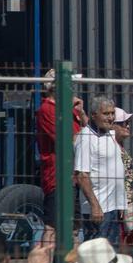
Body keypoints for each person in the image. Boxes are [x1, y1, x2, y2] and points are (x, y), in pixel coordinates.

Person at [72, 98, 133, 246]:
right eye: (106, 113)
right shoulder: (86, 139)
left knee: (110, 253)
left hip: (113, 207)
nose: (111, 117)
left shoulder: (108, 134)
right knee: (97, 254)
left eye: (112, 113)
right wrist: (95, 206)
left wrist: (121, 203)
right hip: (99, 209)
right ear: (94, 115)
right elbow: (82, 175)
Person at [36, 71, 86, 228]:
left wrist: (82, 112)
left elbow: (89, 133)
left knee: (74, 228)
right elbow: (68, 141)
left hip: (75, 175)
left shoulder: (70, 109)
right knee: (53, 228)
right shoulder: (47, 110)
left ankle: (70, 253)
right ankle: (45, 253)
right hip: (58, 178)